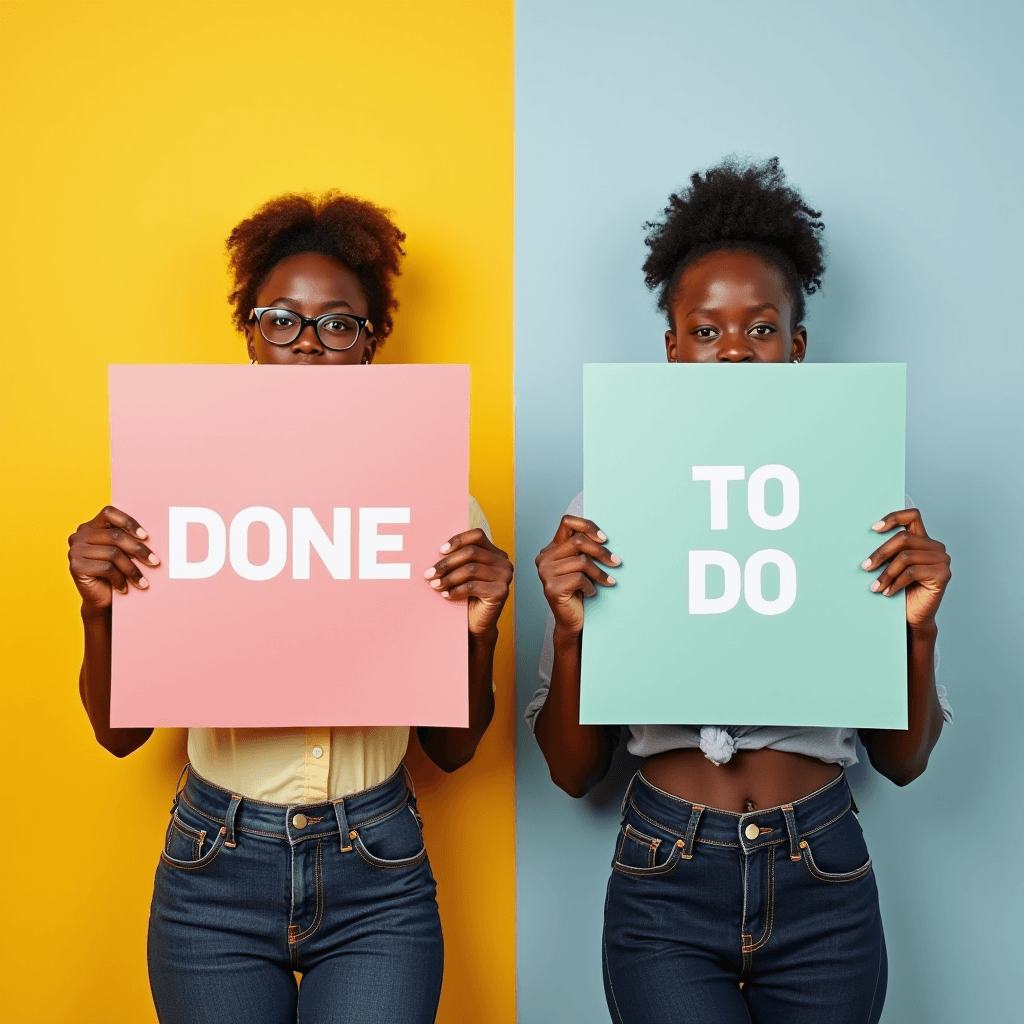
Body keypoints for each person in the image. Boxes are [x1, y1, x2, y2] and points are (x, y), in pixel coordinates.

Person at [66, 192, 513, 1024]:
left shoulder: (442, 509)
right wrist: (99, 612)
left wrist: (479, 635)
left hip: (376, 867)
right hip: (215, 870)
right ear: (250, 336)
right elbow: (120, 736)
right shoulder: (171, 496)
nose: (308, 344)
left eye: (339, 325)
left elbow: (453, 752)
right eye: (282, 320)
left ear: (373, 344)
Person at [527, 158, 952, 1024]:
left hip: (823, 871)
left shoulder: (859, 503)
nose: (733, 352)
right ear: (672, 348)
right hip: (665, 875)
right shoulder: (606, 505)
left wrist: (916, 633)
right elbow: (573, 773)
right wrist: (571, 635)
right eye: (706, 331)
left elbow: (904, 763)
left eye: (760, 330)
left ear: (797, 347)